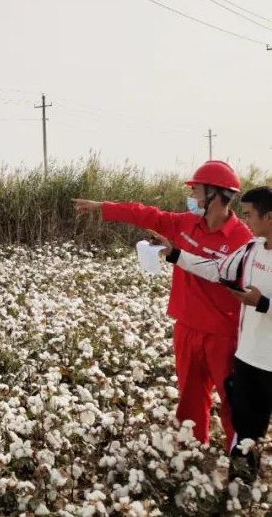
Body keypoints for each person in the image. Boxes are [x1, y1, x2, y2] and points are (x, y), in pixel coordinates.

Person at [72, 160, 252, 448]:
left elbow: (223, 275)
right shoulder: (184, 223)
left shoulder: (242, 237)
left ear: (215, 195)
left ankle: (242, 458)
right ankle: (193, 452)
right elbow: (146, 214)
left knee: (233, 399)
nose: (192, 199)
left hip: (223, 333)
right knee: (190, 397)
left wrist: (176, 254)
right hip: (186, 327)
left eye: (197, 192)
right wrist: (103, 207)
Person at [157, 186, 272, 482]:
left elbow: (261, 300)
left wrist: (262, 303)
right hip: (247, 356)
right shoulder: (251, 249)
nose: (246, 223)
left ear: (269, 217)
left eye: (249, 215)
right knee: (246, 427)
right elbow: (215, 268)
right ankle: (240, 488)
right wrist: (176, 255)